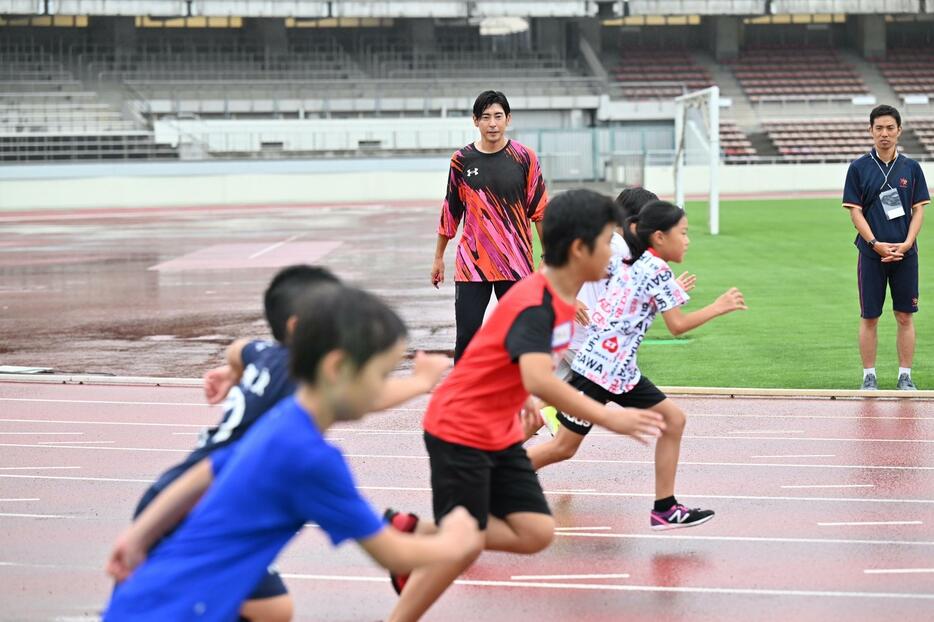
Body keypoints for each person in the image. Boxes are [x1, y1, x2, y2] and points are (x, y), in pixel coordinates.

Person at [104, 285, 481, 621]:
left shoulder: (282, 419)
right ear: (336, 368)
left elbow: (206, 473)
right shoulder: (312, 459)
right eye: (380, 375)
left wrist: (138, 536)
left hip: (151, 598)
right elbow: (393, 556)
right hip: (181, 609)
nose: (382, 390)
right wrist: (458, 540)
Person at [386, 189, 666, 622]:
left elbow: (525, 371)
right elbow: (538, 376)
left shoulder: (561, 300)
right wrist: (609, 415)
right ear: (579, 249)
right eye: (608, 241)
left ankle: (413, 535)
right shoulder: (538, 302)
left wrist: (522, 403)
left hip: (495, 429)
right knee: (461, 546)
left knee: (535, 532)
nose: (614, 255)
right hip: (460, 427)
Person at [526, 200, 746, 530]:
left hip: (616, 368)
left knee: (673, 420)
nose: (687, 241)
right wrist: (719, 306)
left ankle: (665, 507)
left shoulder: (638, 263)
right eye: (683, 233)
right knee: (563, 447)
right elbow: (677, 325)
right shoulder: (655, 269)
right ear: (659, 237)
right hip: (602, 369)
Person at [430, 90, 548, 362]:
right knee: (468, 337)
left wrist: (548, 256)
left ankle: (519, 398)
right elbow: (450, 210)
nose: (492, 123)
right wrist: (438, 257)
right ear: (475, 121)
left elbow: (540, 210)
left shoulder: (525, 157)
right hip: (473, 265)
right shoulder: (461, 160)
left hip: (515, 261)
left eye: (498, 116)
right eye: (485, 117)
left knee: (520, 335)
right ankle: (464, 399)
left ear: (508, 119)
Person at [842, 104, 929, 390]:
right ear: (870, 131)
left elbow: (919, 210)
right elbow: (855, 213)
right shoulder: (858, 168)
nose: (884, 134)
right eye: (878, 128)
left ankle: (905, 375)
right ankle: (869, 376)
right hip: (871, 255)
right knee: (870, 316)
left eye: (890, 128)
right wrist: (875, 243)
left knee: (905, 315)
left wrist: (906, 243)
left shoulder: (912, 168)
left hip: (906, 254)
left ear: (899, 131)